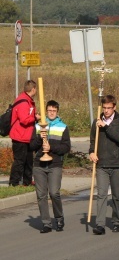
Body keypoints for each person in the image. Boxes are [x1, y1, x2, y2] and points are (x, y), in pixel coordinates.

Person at [30, 100, 71, 233]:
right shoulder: (39, 126)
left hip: (55, 164)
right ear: (46, 111)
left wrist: (51, 147)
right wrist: (39, 138)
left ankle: (59, 218)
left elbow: (66, 147)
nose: (51, 113)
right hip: (39, 165)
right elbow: (31, 146)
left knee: (54, 193)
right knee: (41, 195)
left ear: (57, 112)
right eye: (49, 111)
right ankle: (46, 223)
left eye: (54, 111)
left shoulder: (63, 127)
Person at [89, 95, 119, 235]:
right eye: (104, 108)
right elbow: (93, 140)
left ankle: (116, 221)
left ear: (114, 107)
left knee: (116, 195)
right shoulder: (96, 122)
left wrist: (106, 126)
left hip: (117, 163)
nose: (106, 111)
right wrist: (92, 152)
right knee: (102, 194)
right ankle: (100, 224)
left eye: (109, 108)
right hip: (102, 164)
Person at [9, 80, 38, 187]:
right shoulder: (23, 102)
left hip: (27, 136)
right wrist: (35, 117)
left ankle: (27, 181)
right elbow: (24, 120)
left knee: (28, 160)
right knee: (20, 161)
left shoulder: (27, 100)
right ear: (33, 89)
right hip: (19, 136)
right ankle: (14, 183)